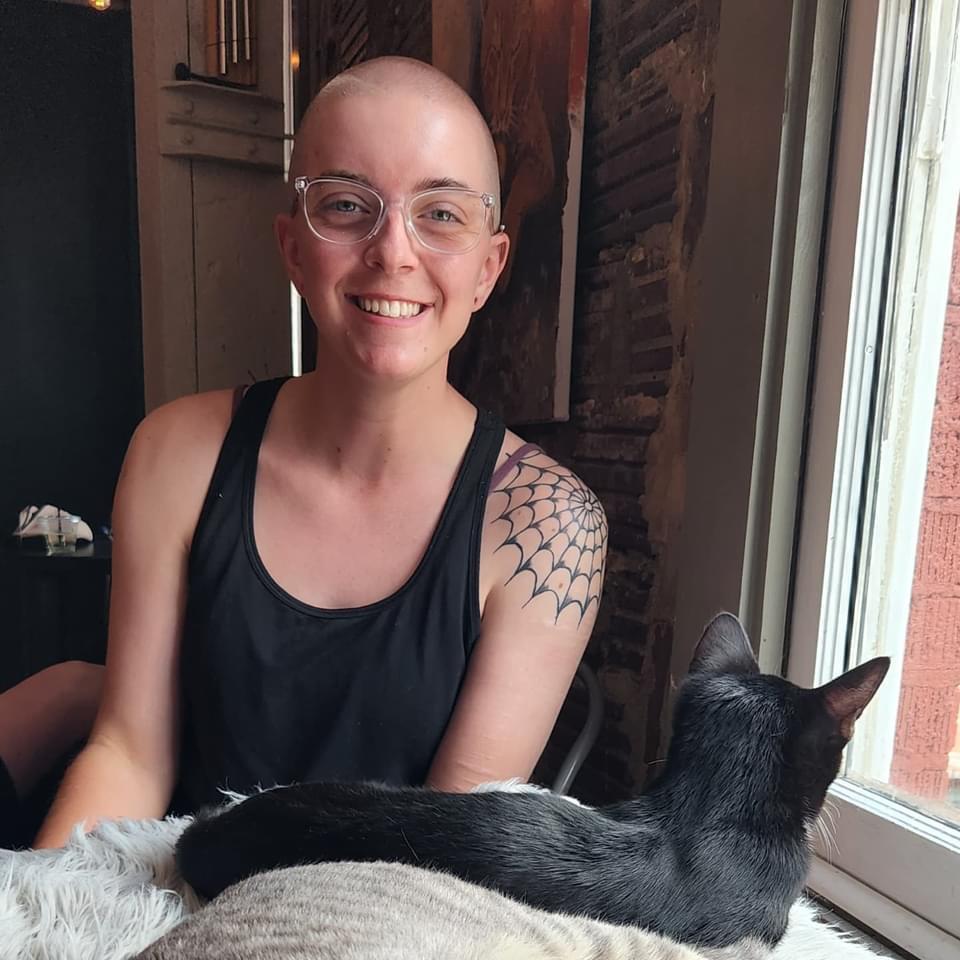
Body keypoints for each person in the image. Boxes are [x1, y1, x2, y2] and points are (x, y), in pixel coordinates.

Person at [34, 56, 607, 849]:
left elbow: (444, 852)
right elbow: (129, 754)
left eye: (441, 213)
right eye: (345, 205)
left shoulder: (548, 524)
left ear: (488, 268)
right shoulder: (175, 453)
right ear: (293, 249)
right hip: (167, 890)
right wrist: (39, 903)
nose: (393, 252)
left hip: (389, 905)